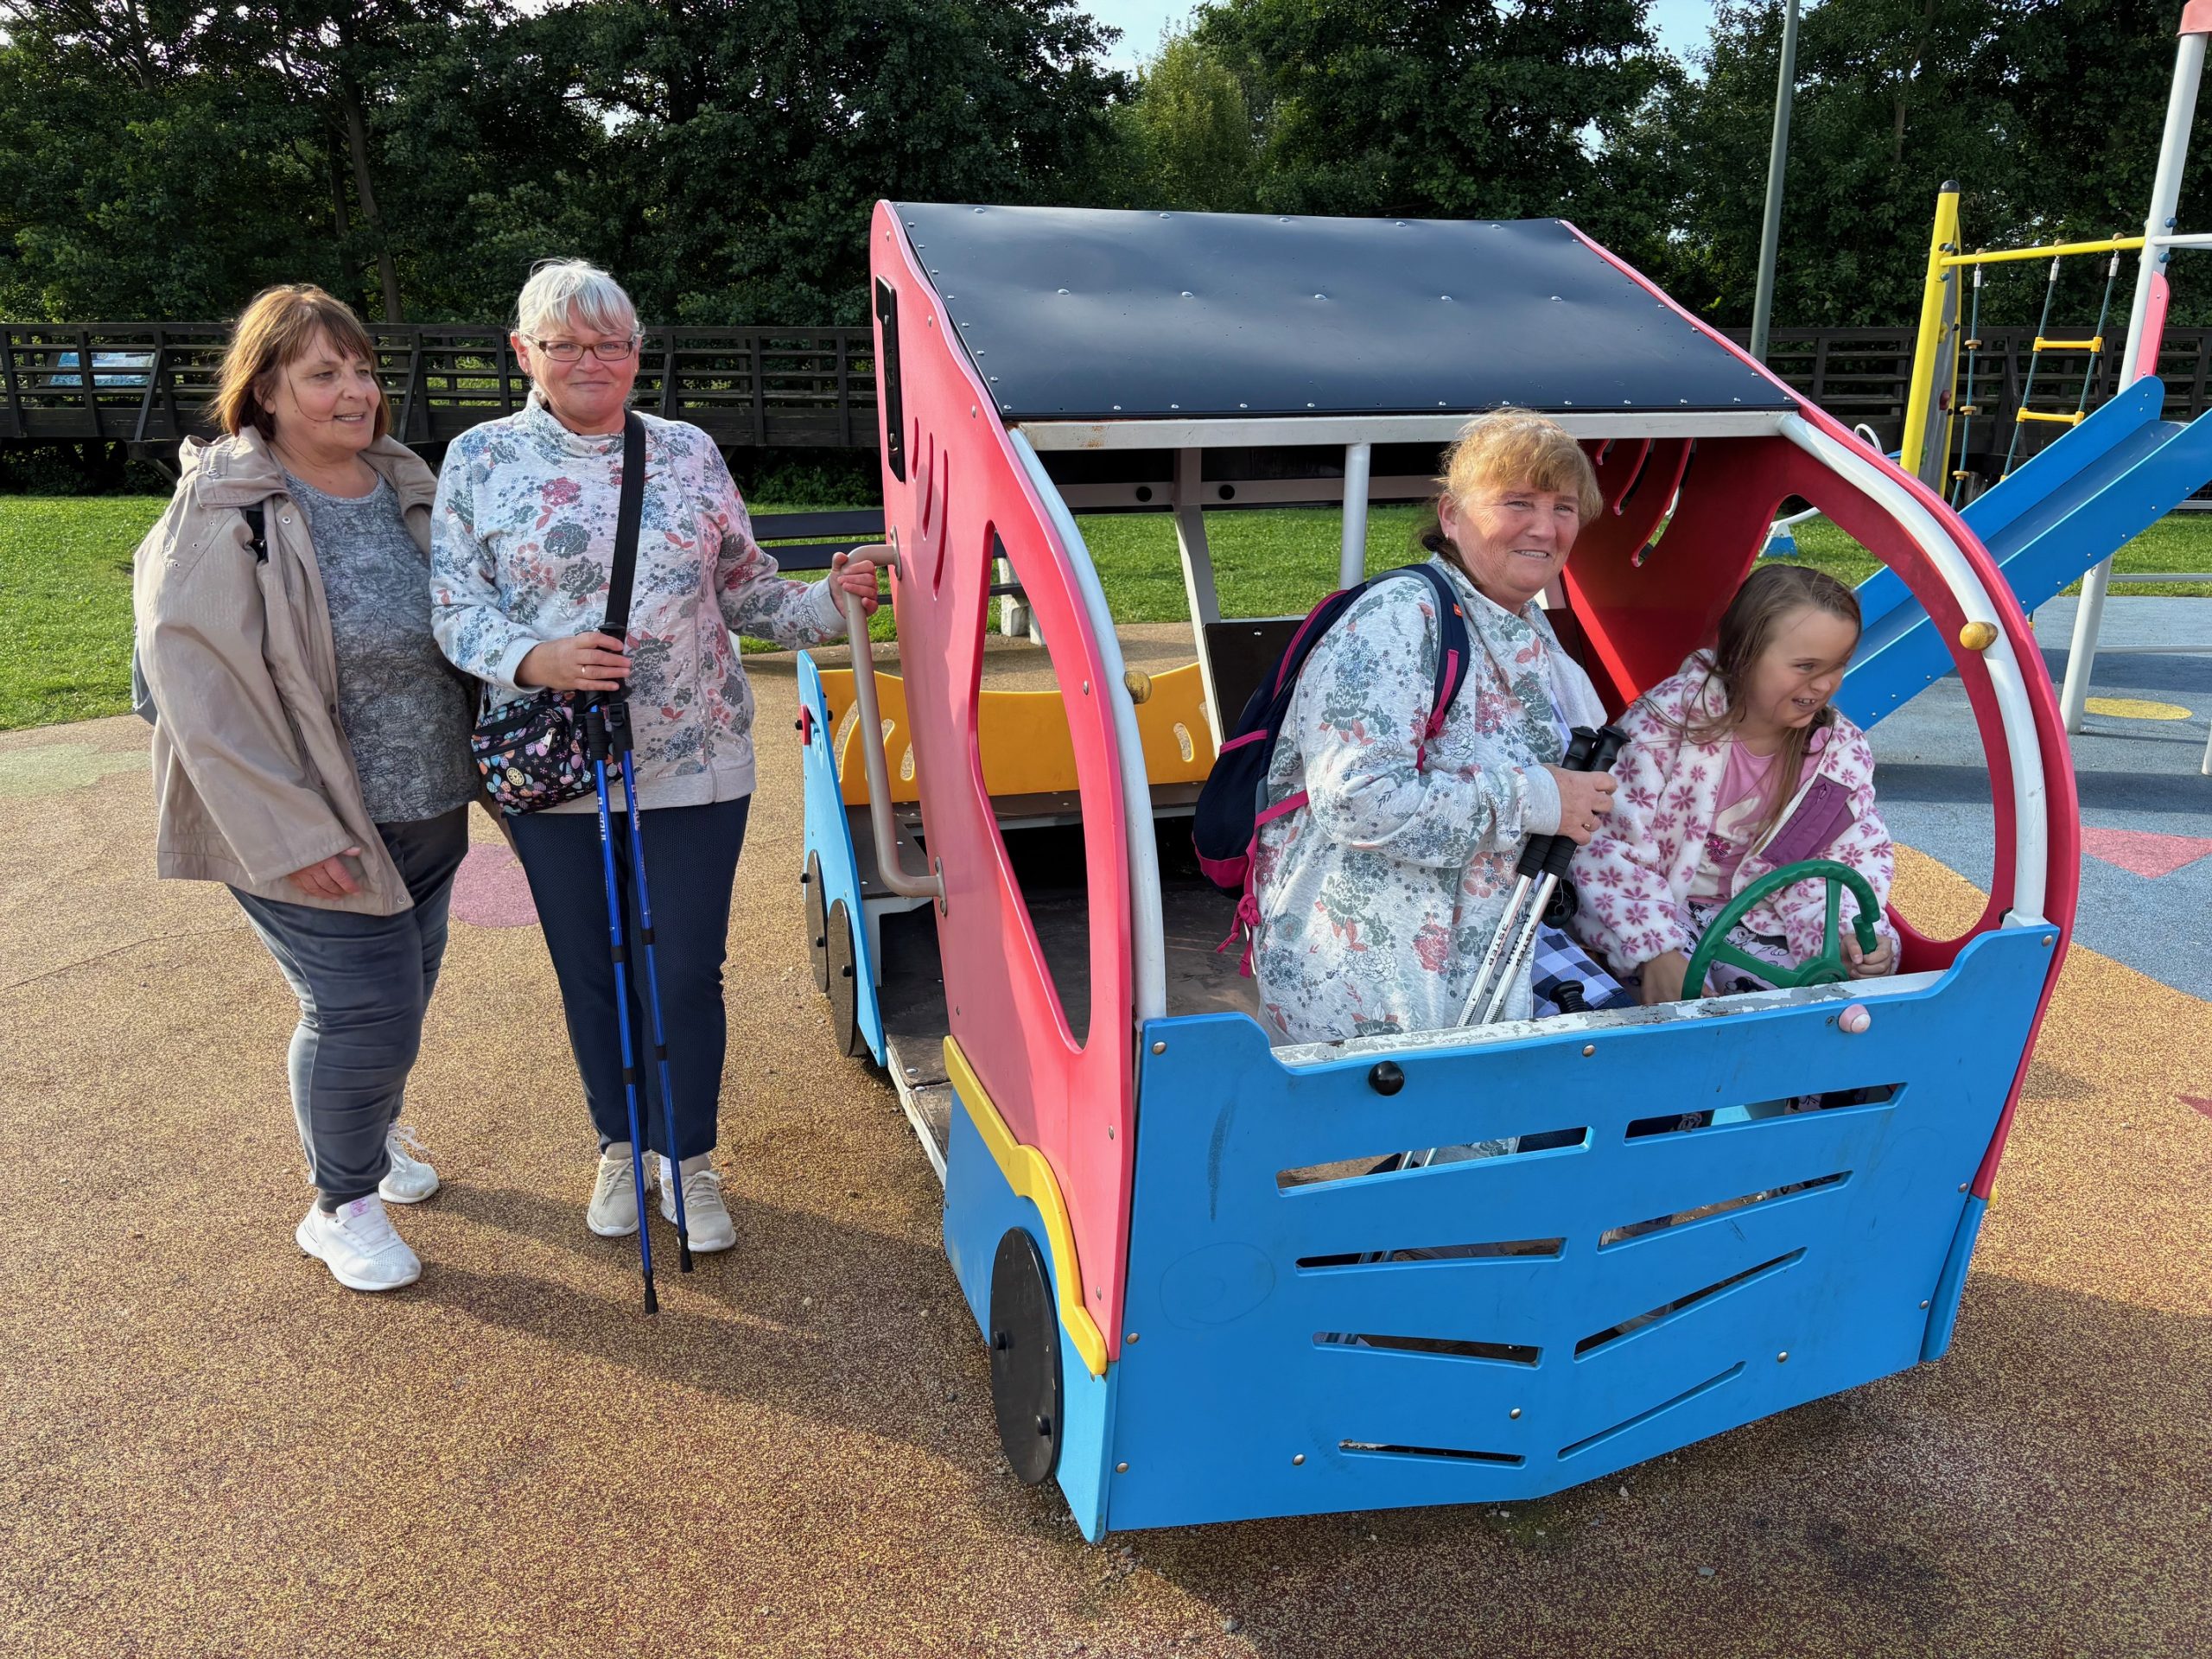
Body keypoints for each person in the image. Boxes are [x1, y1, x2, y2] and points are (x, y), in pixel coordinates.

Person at [430, 258, 879, 1254]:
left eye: (613, 344)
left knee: (681, 970)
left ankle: (689, 1157)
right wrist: (537, 658)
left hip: (694, 758)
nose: (591, 361)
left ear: (638, 353)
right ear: (524, 353)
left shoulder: (686, 452)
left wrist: (827, 601)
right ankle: (620, 1145)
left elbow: (747, 589)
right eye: (566, 344)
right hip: (557, 764)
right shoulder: (479, 458)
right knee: (591, 969)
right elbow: (455, 608)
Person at [132, 284, 478, 1294]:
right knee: (362, 1010)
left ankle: (364, 1130)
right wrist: (293, 833)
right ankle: (341, 1205)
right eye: (323, 374)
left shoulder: (407, 482)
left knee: (400, 1000)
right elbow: (199, 696)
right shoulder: (223, 508)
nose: (354, 391)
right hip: (310, 823)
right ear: (266, 392)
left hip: (427, 809)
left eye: (362, 369)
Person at [1249, 409, 1618, 1045]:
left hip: (1465, 983)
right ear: (1451, 514)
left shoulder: (1523, 624)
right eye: (1518, 502)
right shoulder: (1398, 619)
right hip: (1374, 997)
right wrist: (1538, 798)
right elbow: (1357, 799)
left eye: (1563, 507)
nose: (1545, 527)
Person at [1570, 563, 1899, 1002]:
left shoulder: (1836, 759)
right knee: (1682, 1005)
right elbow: (1606, 843)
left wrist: (1847, 937)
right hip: (1657, 907)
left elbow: (1845, 859)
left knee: (1821, 1002)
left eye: (1838, 665)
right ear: (1743, 656)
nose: (1824, 684)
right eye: (1806, 666)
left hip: (1762, 918)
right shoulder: (1665, 727)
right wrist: (1654, 949)